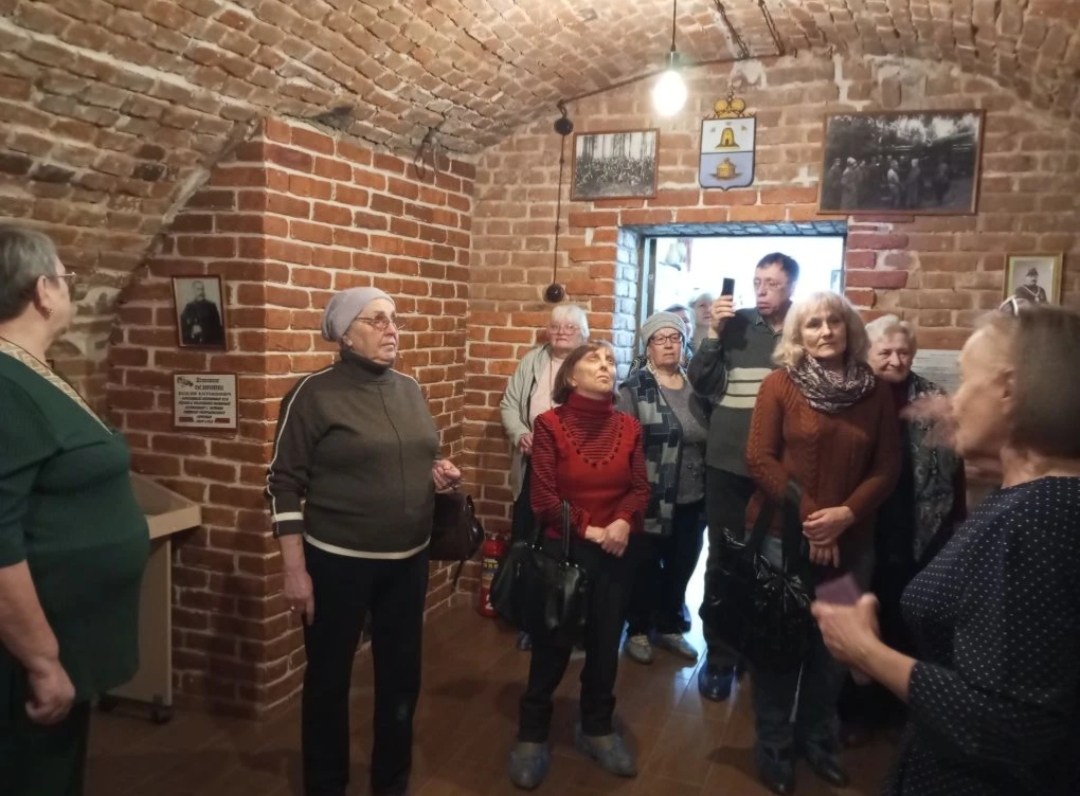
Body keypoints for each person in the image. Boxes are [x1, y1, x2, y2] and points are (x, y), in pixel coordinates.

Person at [814, 306, 1080, 796]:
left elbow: (1011, 728)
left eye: (964, 380)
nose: (952, 400)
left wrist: (865, 651)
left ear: (1008, 390)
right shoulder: (1038, 500)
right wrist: (994, 449)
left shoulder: (1037, 520)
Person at [265, 286, 462, 796]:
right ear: (345, 335)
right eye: (376, 320)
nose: (391, 329)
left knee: (401, 678)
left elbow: (417, 455)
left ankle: (391, 783)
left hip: (407, 561)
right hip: (337, 562)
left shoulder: (408, 388)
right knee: (329, 680)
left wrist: (436, 475)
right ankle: (326, 784)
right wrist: (294, 569)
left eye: (394, 319)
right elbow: (283, 482)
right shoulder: (313, 394)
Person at [0, 226, 150, 795]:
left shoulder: (31, 370)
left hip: (69, 640)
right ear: (43, 290)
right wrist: (41, 660)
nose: (70, 290)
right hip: (25, 659)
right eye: (67, 278)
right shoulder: (6, 385)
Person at [745, 291, 899, 794]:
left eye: (834, 321)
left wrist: (846, 515)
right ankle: (773, 744)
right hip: (781, 541)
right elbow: (759, 458)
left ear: (849, 328)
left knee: (834, 650)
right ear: (798, 335)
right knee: (779, 647)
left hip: (851, 545)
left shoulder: (873, 391)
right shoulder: (779, 384)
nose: (826, 331)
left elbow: (887, 466)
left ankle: (815, 738)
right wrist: (815, 520)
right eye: (813, 324)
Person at [508, 341, 650, 790]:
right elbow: (544, 499)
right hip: (565, 551)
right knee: (552, 644)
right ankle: (532, 733)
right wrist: (593, 531)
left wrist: (623, 522)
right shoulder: (549, 425)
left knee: (606, 644)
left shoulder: (629, 426)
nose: (606, 365)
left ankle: (597, 727)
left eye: (610, 360)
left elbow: (640, 489)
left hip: (617, 551)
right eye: (594, 359)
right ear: (570, 376)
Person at [838, 316, 966, 743]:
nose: (896, 360)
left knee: (904, 613)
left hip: (918, 522)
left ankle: (898, 708)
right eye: (886, 352)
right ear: (866, 352)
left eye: (904, 352)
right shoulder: (850, 395)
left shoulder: (933, 397)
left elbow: (955, 466)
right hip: (862, 521)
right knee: (859, 610)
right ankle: (855, 711)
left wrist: (957, 519)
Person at [687, 252, 799, 702]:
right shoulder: (735, 324)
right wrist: (713, 332)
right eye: (757, 281)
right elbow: (700, 380)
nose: (762, 290)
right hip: (727, 461)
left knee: (773, 559)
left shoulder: (805, 327)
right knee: (725, 557)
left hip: (780, 465)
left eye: (772, 283)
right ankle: (719, 655)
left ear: (791, 287)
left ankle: (757, 647)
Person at [616, 312, 709, 665]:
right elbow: (623, 446)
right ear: (648, 347)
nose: (668, 345)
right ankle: (638, 629)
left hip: (693, 496)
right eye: (660, 339)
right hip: (651, 497)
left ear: (684, 344)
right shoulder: (634, 389)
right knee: (644, 568)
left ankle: (669, 626)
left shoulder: (695, 386)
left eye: (675, 338)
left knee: (681, 566)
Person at [499, 303, 589, 651]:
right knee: (529, 539)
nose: (561, 332)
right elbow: (510, 404)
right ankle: (531, 618)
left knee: (570, 542)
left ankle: (571, 620)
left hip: (575, 472)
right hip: (533, 465)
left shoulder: (589, 362)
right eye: (555, 326)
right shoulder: (532, 361)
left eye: (569, 327)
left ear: (583, 333)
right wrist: (521, 433)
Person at [627, 303, 694, 375]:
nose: (682, 326)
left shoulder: (698, 360)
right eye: (660, 339)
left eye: (685, 321)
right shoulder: (640, 362)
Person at [178, 279, 225, 345]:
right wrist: (191, 330)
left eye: (202, 289)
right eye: (198, 289)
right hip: (193, 343)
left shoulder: (211, 306)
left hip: (209, 342)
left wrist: (202, 329)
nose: (201, 292)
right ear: (193, 291)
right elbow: (181, 326)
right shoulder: (189, 307)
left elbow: (217, 328)